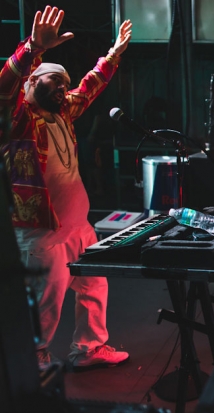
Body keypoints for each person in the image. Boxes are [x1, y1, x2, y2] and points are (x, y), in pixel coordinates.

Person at [0, 6, 132, 371]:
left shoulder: (62, 113)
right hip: (42, 232)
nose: (61, 86)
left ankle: (88, 349)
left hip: (78, 227)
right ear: (30, 85)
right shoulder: (17, 122)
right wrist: (32, 49)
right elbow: (4, 91)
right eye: (51, 81)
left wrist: (113, 55)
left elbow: (89, 86)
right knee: (47, 299)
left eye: (63, 81)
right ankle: (35, 357)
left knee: (94, 287)